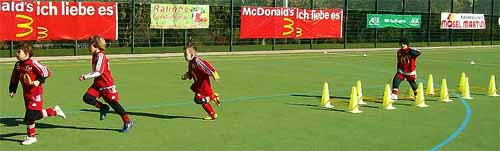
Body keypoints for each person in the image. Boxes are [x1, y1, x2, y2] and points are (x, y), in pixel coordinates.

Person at [8, 42, 66, 145]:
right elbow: (14, 78)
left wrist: (38, 81)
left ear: (27, 53)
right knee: (34, 115)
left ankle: (31, 137)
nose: (16, 54)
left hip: (36, 93)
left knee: (30, 116)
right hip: (26, 94)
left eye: (19, 52)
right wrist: (12, 89)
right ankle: (54, 111)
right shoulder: (17, 65)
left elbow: (47, 72)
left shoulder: (33, 63)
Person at [79, 35, 133, 132]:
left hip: (106, 84)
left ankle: (127, 121)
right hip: (98, 84)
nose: (87, 47)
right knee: (87, 98)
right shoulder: (94, 55)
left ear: (95, 45)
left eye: (89, 45)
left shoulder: (101, 56)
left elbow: (98, 72)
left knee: (114, 104)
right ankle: (103, 107)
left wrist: (85, 76)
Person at [181, 46, 221, 120]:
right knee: (203, 101)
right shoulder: (191, 63)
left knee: (198, 99)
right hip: (198, 85)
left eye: (186, 54)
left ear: (192, 55)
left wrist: (214, 74)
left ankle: (213, 97)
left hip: (204, 86)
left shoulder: (197, 61)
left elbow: (206, 65)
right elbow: (190, 73)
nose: (184, 56)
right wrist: (186, 76)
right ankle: (213, 115)